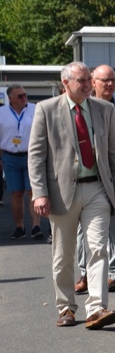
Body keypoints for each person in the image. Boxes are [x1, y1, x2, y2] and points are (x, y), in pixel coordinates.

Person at [28, 62, 115, 329]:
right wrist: (39, 193)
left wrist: (114, 191)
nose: (86, 85)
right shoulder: (46, 110)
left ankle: (96, 308)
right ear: (65, 83)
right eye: (80, 80)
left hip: (97, 189)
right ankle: (66, 307)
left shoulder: (105, 109)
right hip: (61, 191)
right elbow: (36, 155)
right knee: (63, 254)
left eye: (88, 79)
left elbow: (113, 153)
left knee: (97, 248)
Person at [74, 66, 115, 293]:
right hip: (88, 179)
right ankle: (84, 273)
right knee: (83, 230)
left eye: (113, 80)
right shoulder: (82, 108)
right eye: (105, 80)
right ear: (93, 82)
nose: (110, 84)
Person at [0, 84, 44, 240]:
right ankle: (19, 227)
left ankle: (35, 226)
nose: (24, 98)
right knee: (16, 193)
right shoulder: (2, 113)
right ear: (10, 98)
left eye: (25, 94)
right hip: (10, 156)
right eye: (20, 96)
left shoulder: (35, 109)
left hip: (31, 156)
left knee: (32, 192)